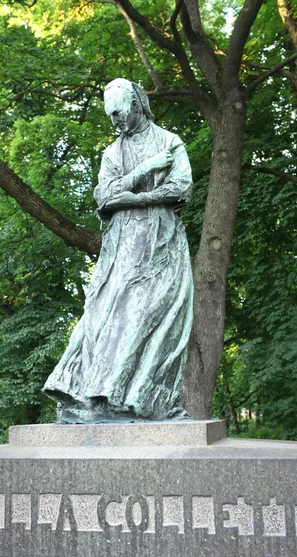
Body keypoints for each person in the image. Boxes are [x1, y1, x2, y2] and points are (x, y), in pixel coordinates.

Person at [43, 78, 194, 423]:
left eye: (119, 113)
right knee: (107, 315)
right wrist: (146, 170)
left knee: (151, 316)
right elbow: (104, 196)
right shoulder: (112, 153)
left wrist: (136, 199)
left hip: (161, 243)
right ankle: (92, 394)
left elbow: (181, 188)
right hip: (121, 246)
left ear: (137, 106)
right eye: (110, 116)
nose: (116, 122)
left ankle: (135, 398)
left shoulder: (169, 141)